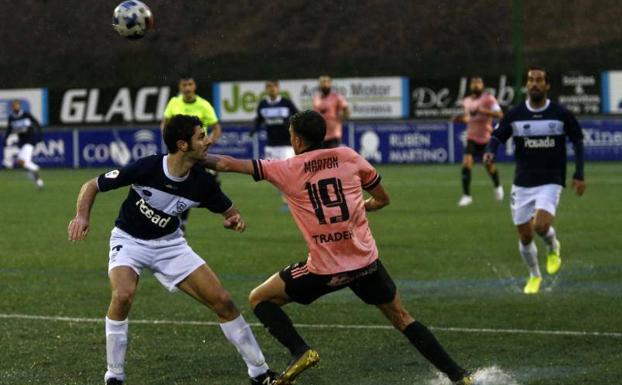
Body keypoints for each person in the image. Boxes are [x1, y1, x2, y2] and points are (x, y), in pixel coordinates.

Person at [204, 110, 473, 385]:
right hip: (365, 263)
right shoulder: (348, 156)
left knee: (259, 298)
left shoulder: (286, 168)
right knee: (403, 318)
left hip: (324, 270)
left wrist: (194, 156)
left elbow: (226, 164)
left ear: (296, 139)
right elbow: (382, 199)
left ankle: (301, 351)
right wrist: (360, 208)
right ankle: (459, 376)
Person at [67, 115, 277, 385]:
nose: (209, 140)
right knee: (122, 295)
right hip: (129, 241)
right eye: (201, 136)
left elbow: (229, 211)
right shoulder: (147, 167)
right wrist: (82, 217)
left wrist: (233, 219)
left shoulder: (203, 182)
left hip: (171, 246)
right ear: (182, 144)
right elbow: (92, 185)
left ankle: (259, 373)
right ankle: (114, 376)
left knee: (223, 301)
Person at [484, 66, 586, 294]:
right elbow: (497, 137)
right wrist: (490, 153)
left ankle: (553, 246)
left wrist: (579, 174)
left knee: (540, 225)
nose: (535, 84)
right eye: (531, 80)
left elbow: (578, 141)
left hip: (551, 179)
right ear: (527, 85)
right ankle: (534, 275)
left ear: (547, 85)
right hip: (522, 183)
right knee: (525, 234)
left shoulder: (561, 114)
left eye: (539, 80)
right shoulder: (516, 114)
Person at [161, 74, 222, 230]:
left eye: (190, 84)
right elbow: (165, 124)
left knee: (194, 185)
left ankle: (181, 222)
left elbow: (216, 128)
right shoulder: (174, 103)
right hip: (177, 154)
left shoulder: (204, 105)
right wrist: (169, 141)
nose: (187, 88)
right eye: (184, 85)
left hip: (195, 154)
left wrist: (207, 143)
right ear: (180, 87)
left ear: (194, 86)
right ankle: (174, 221)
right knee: (174, 186)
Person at [455, 76, 504, 207]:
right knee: (466, 164)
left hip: (486, 139)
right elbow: (468, 118)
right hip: (471, 138)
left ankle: (498, 185)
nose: (476, 85)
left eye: (478, 83)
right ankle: (466, 196)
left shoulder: (488, 99)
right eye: (474, 83)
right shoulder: (466, 101)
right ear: (470, 86)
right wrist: (460, 119)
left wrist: (483, 111)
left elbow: (500, 115)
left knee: (489, 166)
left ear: (482, 85)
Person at [251, 79, 299, 211]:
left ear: (278, 88)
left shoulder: (286, 103)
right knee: (274, 176)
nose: (272, 89)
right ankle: (286, 201)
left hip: (286, 145)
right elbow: (259, 119)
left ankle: (292, 200)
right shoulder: (263, 104)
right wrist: (254, 129)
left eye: (274, 87)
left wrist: (289, 124)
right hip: (271, 145)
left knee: (288, 174)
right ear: (266, 89)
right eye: (269, 87)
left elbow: (298, 117)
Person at [2, 99, 44, 189]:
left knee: (24, 162)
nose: (16, 107)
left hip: (30, 140)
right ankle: (38, 180)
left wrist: (40, 135)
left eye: (17, 105)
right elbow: (9, 130)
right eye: (14, 106)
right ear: (12, 107)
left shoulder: (26, 115)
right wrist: (5, 139)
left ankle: (36, 170)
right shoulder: (12, 118)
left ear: (19, 106)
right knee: (22, 162)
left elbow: (36, 123)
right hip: (22, 142)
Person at [312, 75, 350, 148]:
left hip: (333, 135)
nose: (325, 84)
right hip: (320, 136)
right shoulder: (316, 99)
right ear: (320, 85)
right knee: (321, 158)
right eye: (323, 82)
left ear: (330, 84)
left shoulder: (336, 97)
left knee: (333, 158)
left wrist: (341, 118)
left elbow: (346, 109)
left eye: (327, 82)